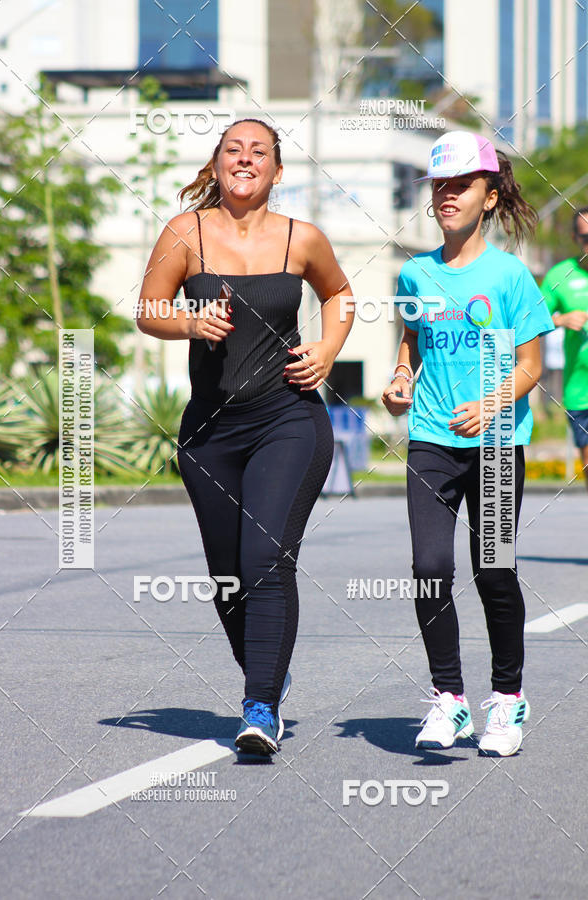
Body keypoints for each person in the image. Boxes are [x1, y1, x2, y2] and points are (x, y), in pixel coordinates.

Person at [136, 118, 353, 755]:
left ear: (277, 172)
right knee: (228, 576)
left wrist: (330, 348)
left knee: (265, 561)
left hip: (288, 418)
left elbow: (340, 294)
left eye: (260, 151)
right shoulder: (184, 234)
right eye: (234, 149)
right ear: (218, 163)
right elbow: (148, 310)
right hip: (209, 432)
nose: (246, 158)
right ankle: (268, 670)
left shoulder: (301, 238)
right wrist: (190, 323)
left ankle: (260, 707)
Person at [382, 131, 554, 757]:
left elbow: (532, 364)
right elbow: (411, 340)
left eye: (460, 186)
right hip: (429, 438)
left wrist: (491, 404)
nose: (447, 196)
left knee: (495, 570)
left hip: (500, 443)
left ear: (488, 196)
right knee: (430, 570)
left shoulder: (510, 275)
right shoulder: (414, 272)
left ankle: (507, 701)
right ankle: (449, 699)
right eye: (439, 186)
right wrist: (402, 378)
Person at [541, 207, 588, 489]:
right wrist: (561, 319)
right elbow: (530, 318)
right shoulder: (560, 275)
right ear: (574, 237)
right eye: (585, 236)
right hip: (580, 392)